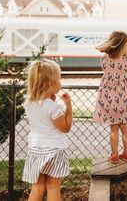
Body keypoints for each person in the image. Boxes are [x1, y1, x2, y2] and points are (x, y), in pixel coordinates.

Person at [22, 59, 73, 201]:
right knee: (53, 187)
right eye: (59, 79)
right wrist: (68, 106)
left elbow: (42, 114)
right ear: (51, 83)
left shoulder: (28, 103)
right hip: (54, 151)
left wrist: (50, 99)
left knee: (37, 188)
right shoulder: (54, 108)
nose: (60, 83)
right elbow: (65, 128)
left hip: (35, 150)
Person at [94, 31, 127, 164]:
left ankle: (114, 155)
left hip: (109, 101)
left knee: (113, 129)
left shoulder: (104, 60)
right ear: (122, 46)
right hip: (125, 100)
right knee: (125, 127)